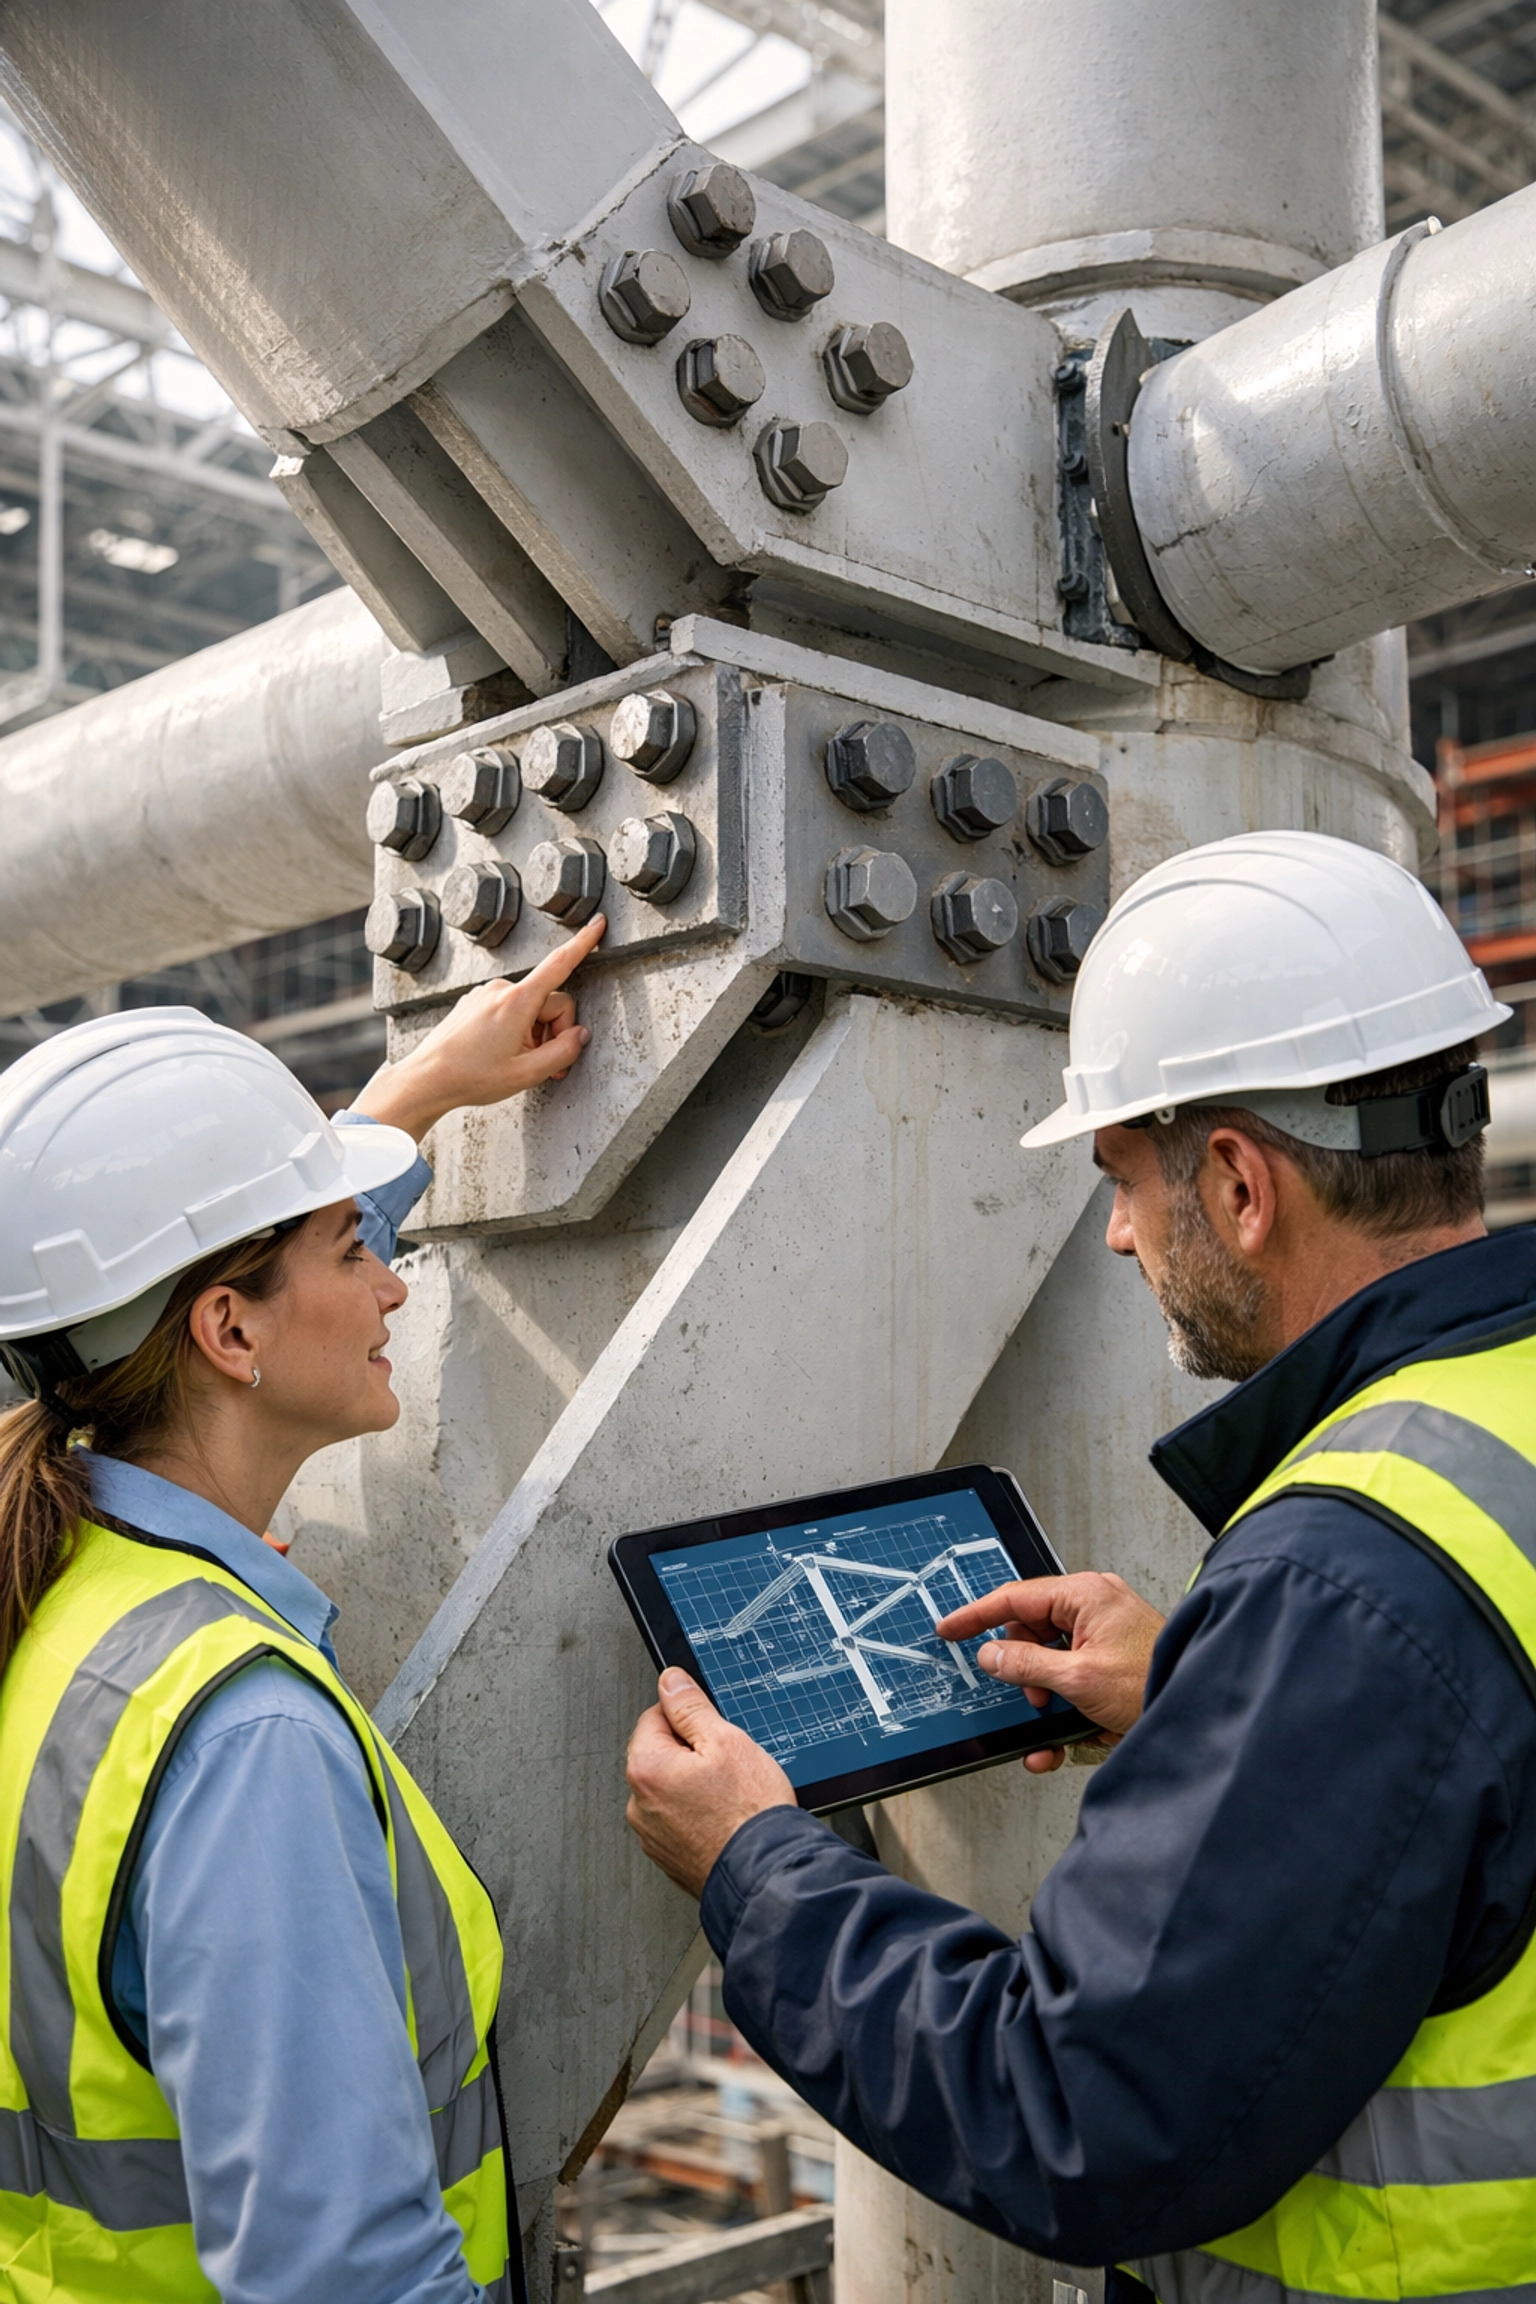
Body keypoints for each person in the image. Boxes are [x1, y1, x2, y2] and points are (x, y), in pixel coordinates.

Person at [625, 830, 1536, 2304]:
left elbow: (1080, 2111)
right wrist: (1209, 1689)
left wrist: (756, 1867)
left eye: (1124, 1181)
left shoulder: (1343, 1576)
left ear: (1238, 1184)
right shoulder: (1489, 1443)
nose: (1116, 1238)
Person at [0, 915, 604, 2304]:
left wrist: (426, 1089)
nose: (393, 1280)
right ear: (227, 1332)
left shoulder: (57, 1589)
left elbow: (229, 1265)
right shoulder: (238, 1737)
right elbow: (346, 2273)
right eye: (354, 1253)